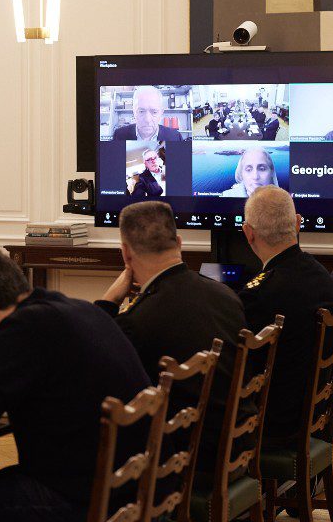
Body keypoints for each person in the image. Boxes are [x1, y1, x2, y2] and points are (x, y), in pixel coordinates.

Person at [0, 248, 152, 522]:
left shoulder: (22, 329)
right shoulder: (75, 309)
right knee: (0, 483)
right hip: (140, 491)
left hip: (97, 507)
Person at [96, 201, 251, 471]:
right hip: (235, 448)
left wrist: (108, 301)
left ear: (125, 254)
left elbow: (92, 366)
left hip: (184, 465)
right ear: (179, 242)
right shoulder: (227, 296)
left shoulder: (138, 321)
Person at [239, 187, 333, 446]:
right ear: (297, 224)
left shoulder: (259, 295)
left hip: (274, 425)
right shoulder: (322, 277)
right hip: (313, 414)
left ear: (248, 233)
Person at [113, 86, 185, 141]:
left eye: (154, 112)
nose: (147, 120)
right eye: (141, 111)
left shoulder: (175, 137)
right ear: (134, 111)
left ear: (161, 113)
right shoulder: (119, 136)